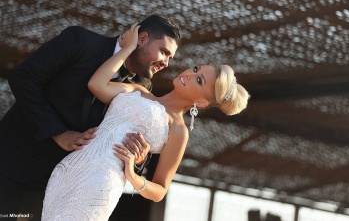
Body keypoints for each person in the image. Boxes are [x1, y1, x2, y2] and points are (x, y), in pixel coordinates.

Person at [41, 24, 250, 220]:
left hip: (101, 182)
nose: (189, 74)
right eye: (196, 69)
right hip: (68, 169)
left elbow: (159, 190)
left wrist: (132, 175)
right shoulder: (139, 90)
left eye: (199, 80)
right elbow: (96, 84)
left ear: (202, 102)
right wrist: (128, 48)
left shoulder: (178, 130)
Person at [0, 15, 182, 219]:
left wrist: (139, 159)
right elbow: (24, 78)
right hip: (12, 165)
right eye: (164, 52)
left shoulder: (142, 87)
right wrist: (59, 133)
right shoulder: (81, 41)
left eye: (170, 58)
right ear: (142, 38)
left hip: (61, 188)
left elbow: (121, 133)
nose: (166, 63)